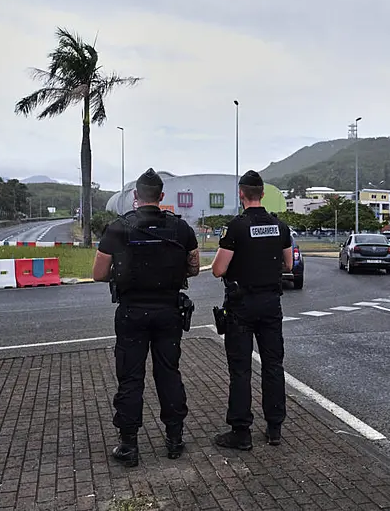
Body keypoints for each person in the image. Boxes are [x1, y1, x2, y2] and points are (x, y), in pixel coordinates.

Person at [92, 168, 201, 467]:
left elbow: (98, 273)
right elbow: (193, 268)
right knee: (169, 373)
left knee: (130, 377)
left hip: (131, 313)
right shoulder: (181, 229)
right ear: (161, 197)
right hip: (169, 312)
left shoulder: (117, 228)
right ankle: (175, 439)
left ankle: (129, 446)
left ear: (136, 197)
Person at [211, 170, 293, 450]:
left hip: (241, 306)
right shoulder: (279, 226)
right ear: (262, 194)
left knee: (241, 369)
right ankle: (274, 428)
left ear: (241, 194)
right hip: (271, 304)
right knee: (273, 366)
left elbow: (218, 269)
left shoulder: (235, 227)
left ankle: (241, 431)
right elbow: (289, 265)